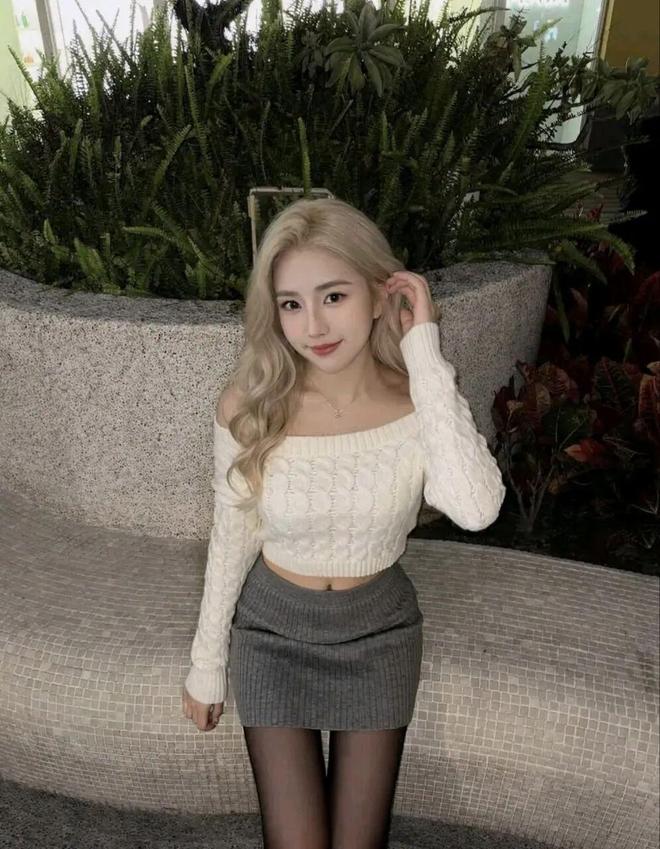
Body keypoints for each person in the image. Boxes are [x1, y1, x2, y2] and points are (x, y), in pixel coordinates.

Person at [182, 196, 506, 849]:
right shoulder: (250, 405)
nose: (313, 326)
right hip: (273, 633)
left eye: (333, 296)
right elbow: (233, 531)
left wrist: (424, 353)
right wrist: (206, 661)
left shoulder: (418, 399)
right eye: (291, 304)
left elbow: (476, 509)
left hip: (378, 636)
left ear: (380, 292)